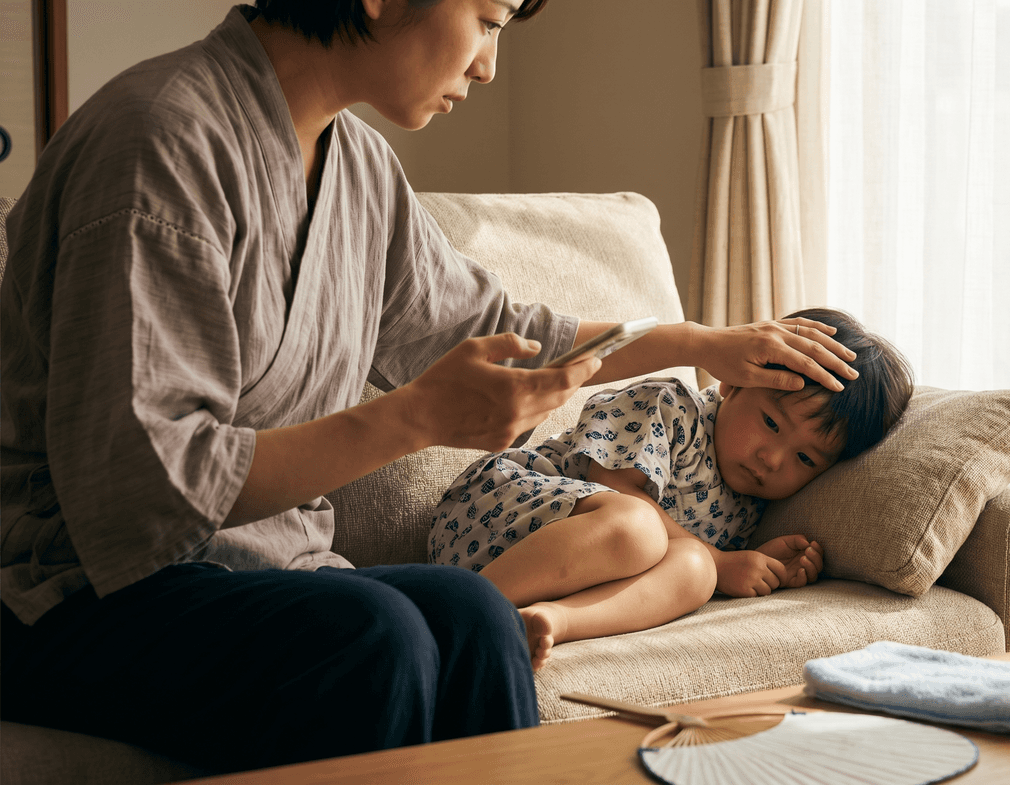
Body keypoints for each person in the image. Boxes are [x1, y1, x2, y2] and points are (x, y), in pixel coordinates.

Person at [0, 0, 860, 774]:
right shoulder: (159, 141)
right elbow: (139, 492)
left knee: (471, 614)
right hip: (73, 594)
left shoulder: (361, 173)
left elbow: (510, 338)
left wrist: (698, 341)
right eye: (488, 20)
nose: (488, 65)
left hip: (261, 575)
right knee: (375, 638)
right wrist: (414, 416)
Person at [429, 308, 914, 670]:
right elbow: (609, 483)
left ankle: (548, 621)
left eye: (806, 459)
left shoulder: (748, 503)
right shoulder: (671, 408)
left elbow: (689, 558)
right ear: (733, 383)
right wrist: (723, 559)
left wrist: (752, 562)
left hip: (568, 574)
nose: (773, 458)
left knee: (696, 571)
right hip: (502, 510)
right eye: (771, 422)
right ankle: (451, 613)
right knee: (639, 528)